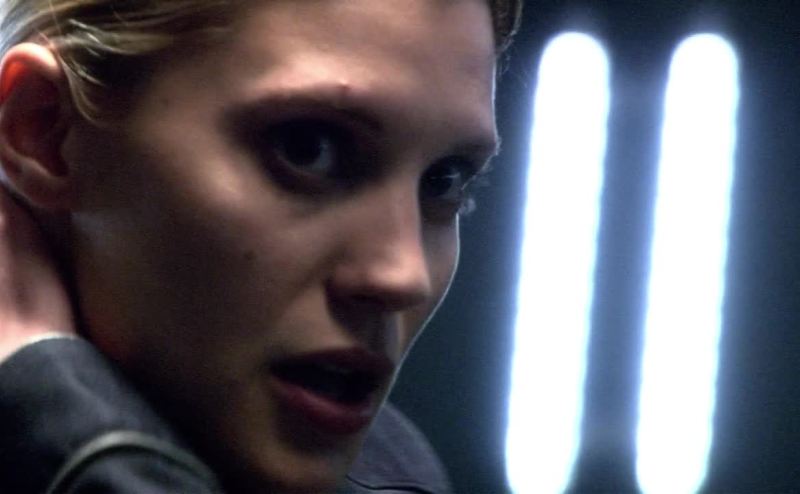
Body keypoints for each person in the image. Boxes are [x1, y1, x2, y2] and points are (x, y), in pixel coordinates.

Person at [0, 0, 520, 492]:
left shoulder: (394, 473)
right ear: (44, 130)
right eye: (308, 148)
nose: (404, 276)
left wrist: (65, 420)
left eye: (445, 180)